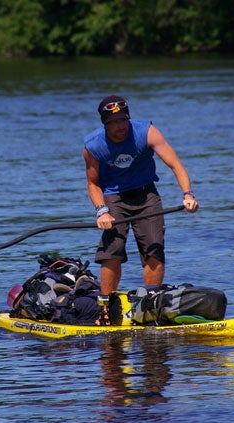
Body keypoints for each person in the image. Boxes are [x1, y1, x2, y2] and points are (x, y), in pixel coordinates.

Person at [83, 95, 199, 296]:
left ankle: (149, 301)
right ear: (105, 124)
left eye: (123, 120)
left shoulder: (146, 132)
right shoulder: (93, 146)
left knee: (154, 249)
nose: (121, 126)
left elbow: (175, 164)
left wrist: (188, 194)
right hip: (113, 196)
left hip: (146, 194)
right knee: (112, 251)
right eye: (114, 122)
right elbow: (93, 183)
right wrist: (102, 212)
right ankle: (105, 306)